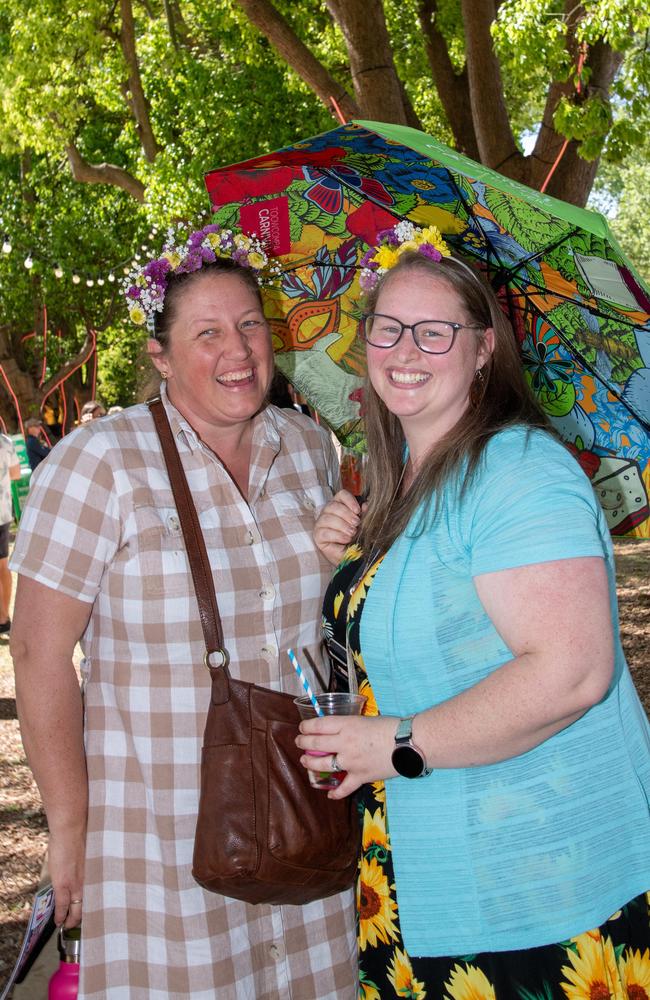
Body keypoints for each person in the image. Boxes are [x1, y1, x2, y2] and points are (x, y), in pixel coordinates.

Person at [300, 223, 650, 998]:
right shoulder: (403, 484)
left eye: (435, 331)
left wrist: (390, 743)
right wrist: (352, 566)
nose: (406, 349)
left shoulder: (519, 471)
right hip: (423, 868)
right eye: (388, 328)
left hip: (539, 881)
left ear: (484, 348)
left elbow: (572, 671)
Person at [10, 223, 357, 999]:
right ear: (161, 357)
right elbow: (37, 654)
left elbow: (323, 625)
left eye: (250, 325)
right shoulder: (101, 463)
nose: (237, 350)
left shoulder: (310, 448)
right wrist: (69, 826)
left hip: (302, 818)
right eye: (207, 333)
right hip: (159, 833)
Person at [0, 433, 20, 634]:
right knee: (2, 567)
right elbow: (16, 474)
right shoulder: (5, 442)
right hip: (1, 513)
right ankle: (3, 618)